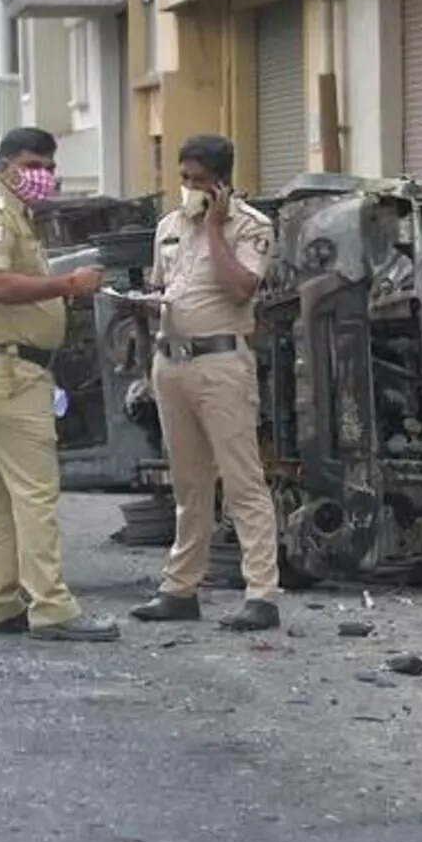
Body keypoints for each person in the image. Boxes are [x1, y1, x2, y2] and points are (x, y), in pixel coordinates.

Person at [0, 126, 119, 642]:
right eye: (31, 164)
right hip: (8, 371)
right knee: (36, 493)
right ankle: (52, 608)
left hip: (9, 368)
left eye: (48, 166)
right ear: (4, 165)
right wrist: (66, 285)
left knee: (0, 493)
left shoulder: (15, 215)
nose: (41, 176)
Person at [128, 134, 283, 632]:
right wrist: (146, 306)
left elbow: (241, 289)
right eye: (184, 179)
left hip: (221, 364)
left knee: (242, 480)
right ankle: (180, 586)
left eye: (198, 181)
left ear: (221, 183)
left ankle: (261, 593)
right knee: (189, 484)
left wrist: (216, 229)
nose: (189, 189)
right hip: (171, 362)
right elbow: (163, 287)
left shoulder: (251, 226)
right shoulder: (168, 228)